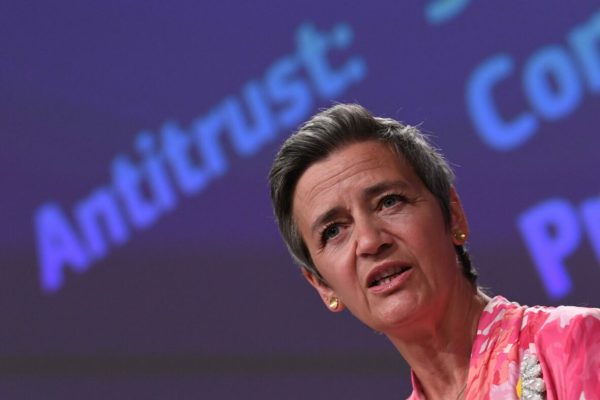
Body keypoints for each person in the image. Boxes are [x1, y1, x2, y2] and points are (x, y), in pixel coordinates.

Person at [268, 103, 600, 399]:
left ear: (453, 213)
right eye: (334, 231)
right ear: (322, 285)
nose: (370, 241)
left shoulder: (576, 344)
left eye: (389, 202)